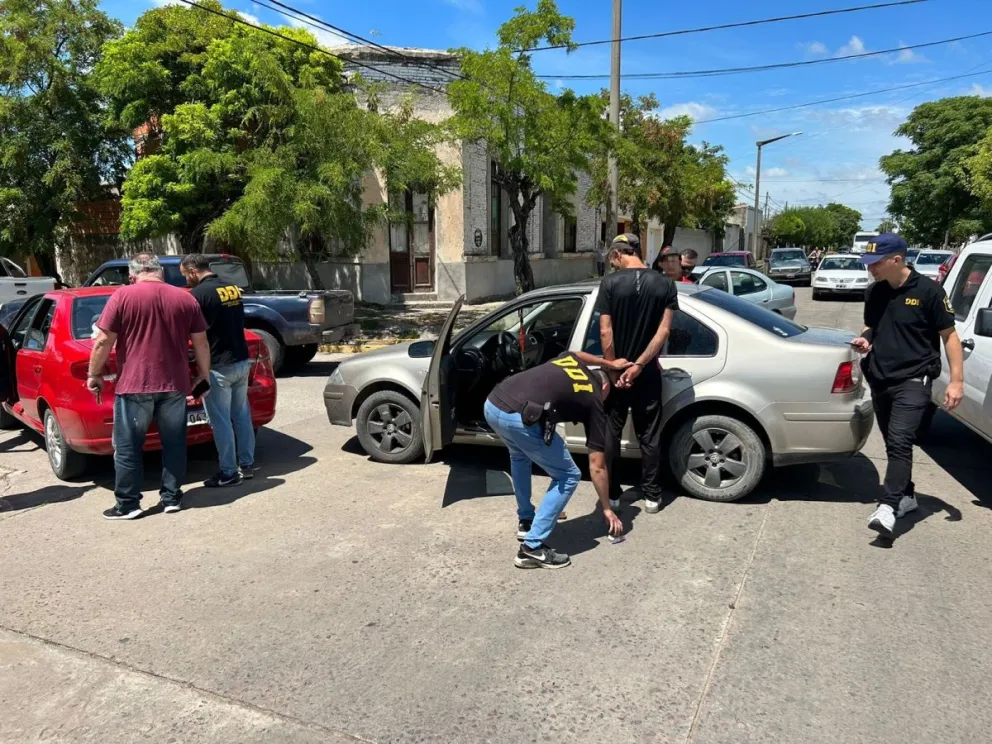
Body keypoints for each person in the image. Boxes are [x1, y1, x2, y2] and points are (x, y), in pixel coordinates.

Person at [851, 233, 964, 537]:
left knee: (901, 440)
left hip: (915, 378)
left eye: (875, 263)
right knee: (893, 444)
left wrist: (957, 381)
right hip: (881, 377)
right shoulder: (874, 292)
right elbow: (873, 326)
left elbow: (949, 336)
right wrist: (866, 340)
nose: (870, 268)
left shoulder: (929, 291)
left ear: (896, 260)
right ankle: (907, 496)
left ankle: (888, 507)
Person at [88, 254, 210, 519]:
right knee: (175, 443)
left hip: (134, 385)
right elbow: (201, 343)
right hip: (175, 384)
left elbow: (103, 341)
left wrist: (94, 374)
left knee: (129, 446)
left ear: (132, 276)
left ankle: (128, 504)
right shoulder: (185, 298)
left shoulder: (122, 296)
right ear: (160, 273)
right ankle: (172, 498)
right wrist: (203, 375)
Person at [484, 351, 629, 569]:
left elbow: (577, 353)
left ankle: (526, 521)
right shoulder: (596, 399)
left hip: (493, 404)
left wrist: (607, 362)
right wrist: (607, 508)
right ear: (606, 387)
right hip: (519, 419)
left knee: (519, 456)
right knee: (569, 475)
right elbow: (597, 467)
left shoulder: (569, 360)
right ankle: (531, 548)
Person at [598, 233, 678, 514]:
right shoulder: (666, 284)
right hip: (647, 374)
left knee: (611, 433)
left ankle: (614, 494)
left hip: (615, 373)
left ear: (620, 253)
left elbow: (605, 330)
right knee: (649, 435)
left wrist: (613, 367)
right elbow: (663, 331)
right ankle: (652, 496)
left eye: (612, 258)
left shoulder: (609, 284)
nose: (612, 263)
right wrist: (639, 364)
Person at [181, 254, 256, 487]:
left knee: (220, 420)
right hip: (241, 360)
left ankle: (228, 472)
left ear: (193, 270)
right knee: (241, 415)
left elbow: (195, 334)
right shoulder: (232, 288)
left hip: (218, 366)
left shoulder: (198, 295)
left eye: (186, 275)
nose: (187, 280)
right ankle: (247, 464)